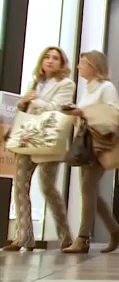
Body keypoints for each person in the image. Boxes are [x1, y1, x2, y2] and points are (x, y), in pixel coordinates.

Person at [3, 47, 75, 252]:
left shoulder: (66, 84)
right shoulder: (34, 82)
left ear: (62, 64)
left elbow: (58, 108)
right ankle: (23, 236)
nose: (50, 61)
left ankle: (65, 236)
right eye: (47, 57)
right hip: (27, 138)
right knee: (20, 186)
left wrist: (33, 100)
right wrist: (23, 102)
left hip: (48, 140)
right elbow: (26, 109)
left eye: (55, 58)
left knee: (48, 188)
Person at [62, 51, 119, 254]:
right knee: (90, 191)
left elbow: (112, 114)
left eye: (83, 63)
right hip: (86, 144)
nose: (79, 67)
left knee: (87, 188)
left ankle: (83, 237)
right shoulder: (87, 88)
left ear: (94, 66)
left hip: (99, 144)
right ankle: (115, 231)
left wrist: (82, 112)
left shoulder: (106, 87)